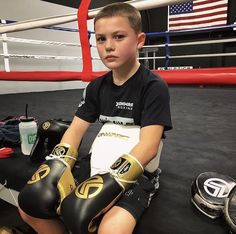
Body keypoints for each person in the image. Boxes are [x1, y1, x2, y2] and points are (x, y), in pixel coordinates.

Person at [18, 2, 172, 234]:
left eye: (118, 36)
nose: (108, 46)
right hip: (95, 164)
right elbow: (75, 131)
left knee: (112, 230)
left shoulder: (152, 86)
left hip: (137, 175)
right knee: (29, 207)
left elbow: (149, 146)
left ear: (139, 40)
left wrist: (113, 181)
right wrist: (58, 163)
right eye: (101, 39)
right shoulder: (96, 87)